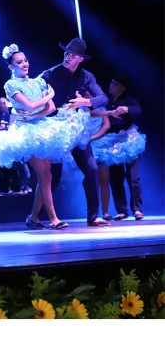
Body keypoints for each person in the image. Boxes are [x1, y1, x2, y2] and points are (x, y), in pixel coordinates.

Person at [0, 43, 90, 230]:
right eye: (19, 62)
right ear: (11, 66)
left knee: (47, 176)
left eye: (25, 60)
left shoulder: (38, 82)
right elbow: (33, 104)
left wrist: (34, 113)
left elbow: (50, 108)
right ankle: (54, 219)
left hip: (43, 129)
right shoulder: (11, 85)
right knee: (45, 174)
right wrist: (48, 96)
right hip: (25, 133)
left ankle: (34, 217)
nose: (25, 64)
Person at [39, 38, 110, 227]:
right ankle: (35, 216)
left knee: (91, 169)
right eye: (66, 53)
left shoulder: (86, 76)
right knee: (52, 175)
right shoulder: (50, 73)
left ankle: (93, 216)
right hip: (55, 128)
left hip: (75, 129)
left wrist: (85, 102)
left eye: (72, 55)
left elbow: (103, 97)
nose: (67, 56)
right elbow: (33, 89)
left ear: (80, 59)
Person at [87, 76, 146, 221]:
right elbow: (98, 116)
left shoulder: (129, 99)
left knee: (133, 178)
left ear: (122, 87)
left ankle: (137, 209)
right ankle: (122, 210)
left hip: (129, 141)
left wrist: (127, 109)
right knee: (115, 178)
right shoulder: (107, 101)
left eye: (115, 84)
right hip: (112, 143)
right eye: (111, 82)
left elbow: (137, 110)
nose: (111, 85)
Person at [0, 96, 33, 194]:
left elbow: (17, 124)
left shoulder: (13, 109)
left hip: (20, 140)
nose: (1, 109)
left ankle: (27, 185)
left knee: (22, 165)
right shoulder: (7, 113)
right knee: (17, 165)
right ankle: (21, 186)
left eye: (0, 107)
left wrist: (6, 127)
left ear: (3, 104)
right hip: (13, 142)